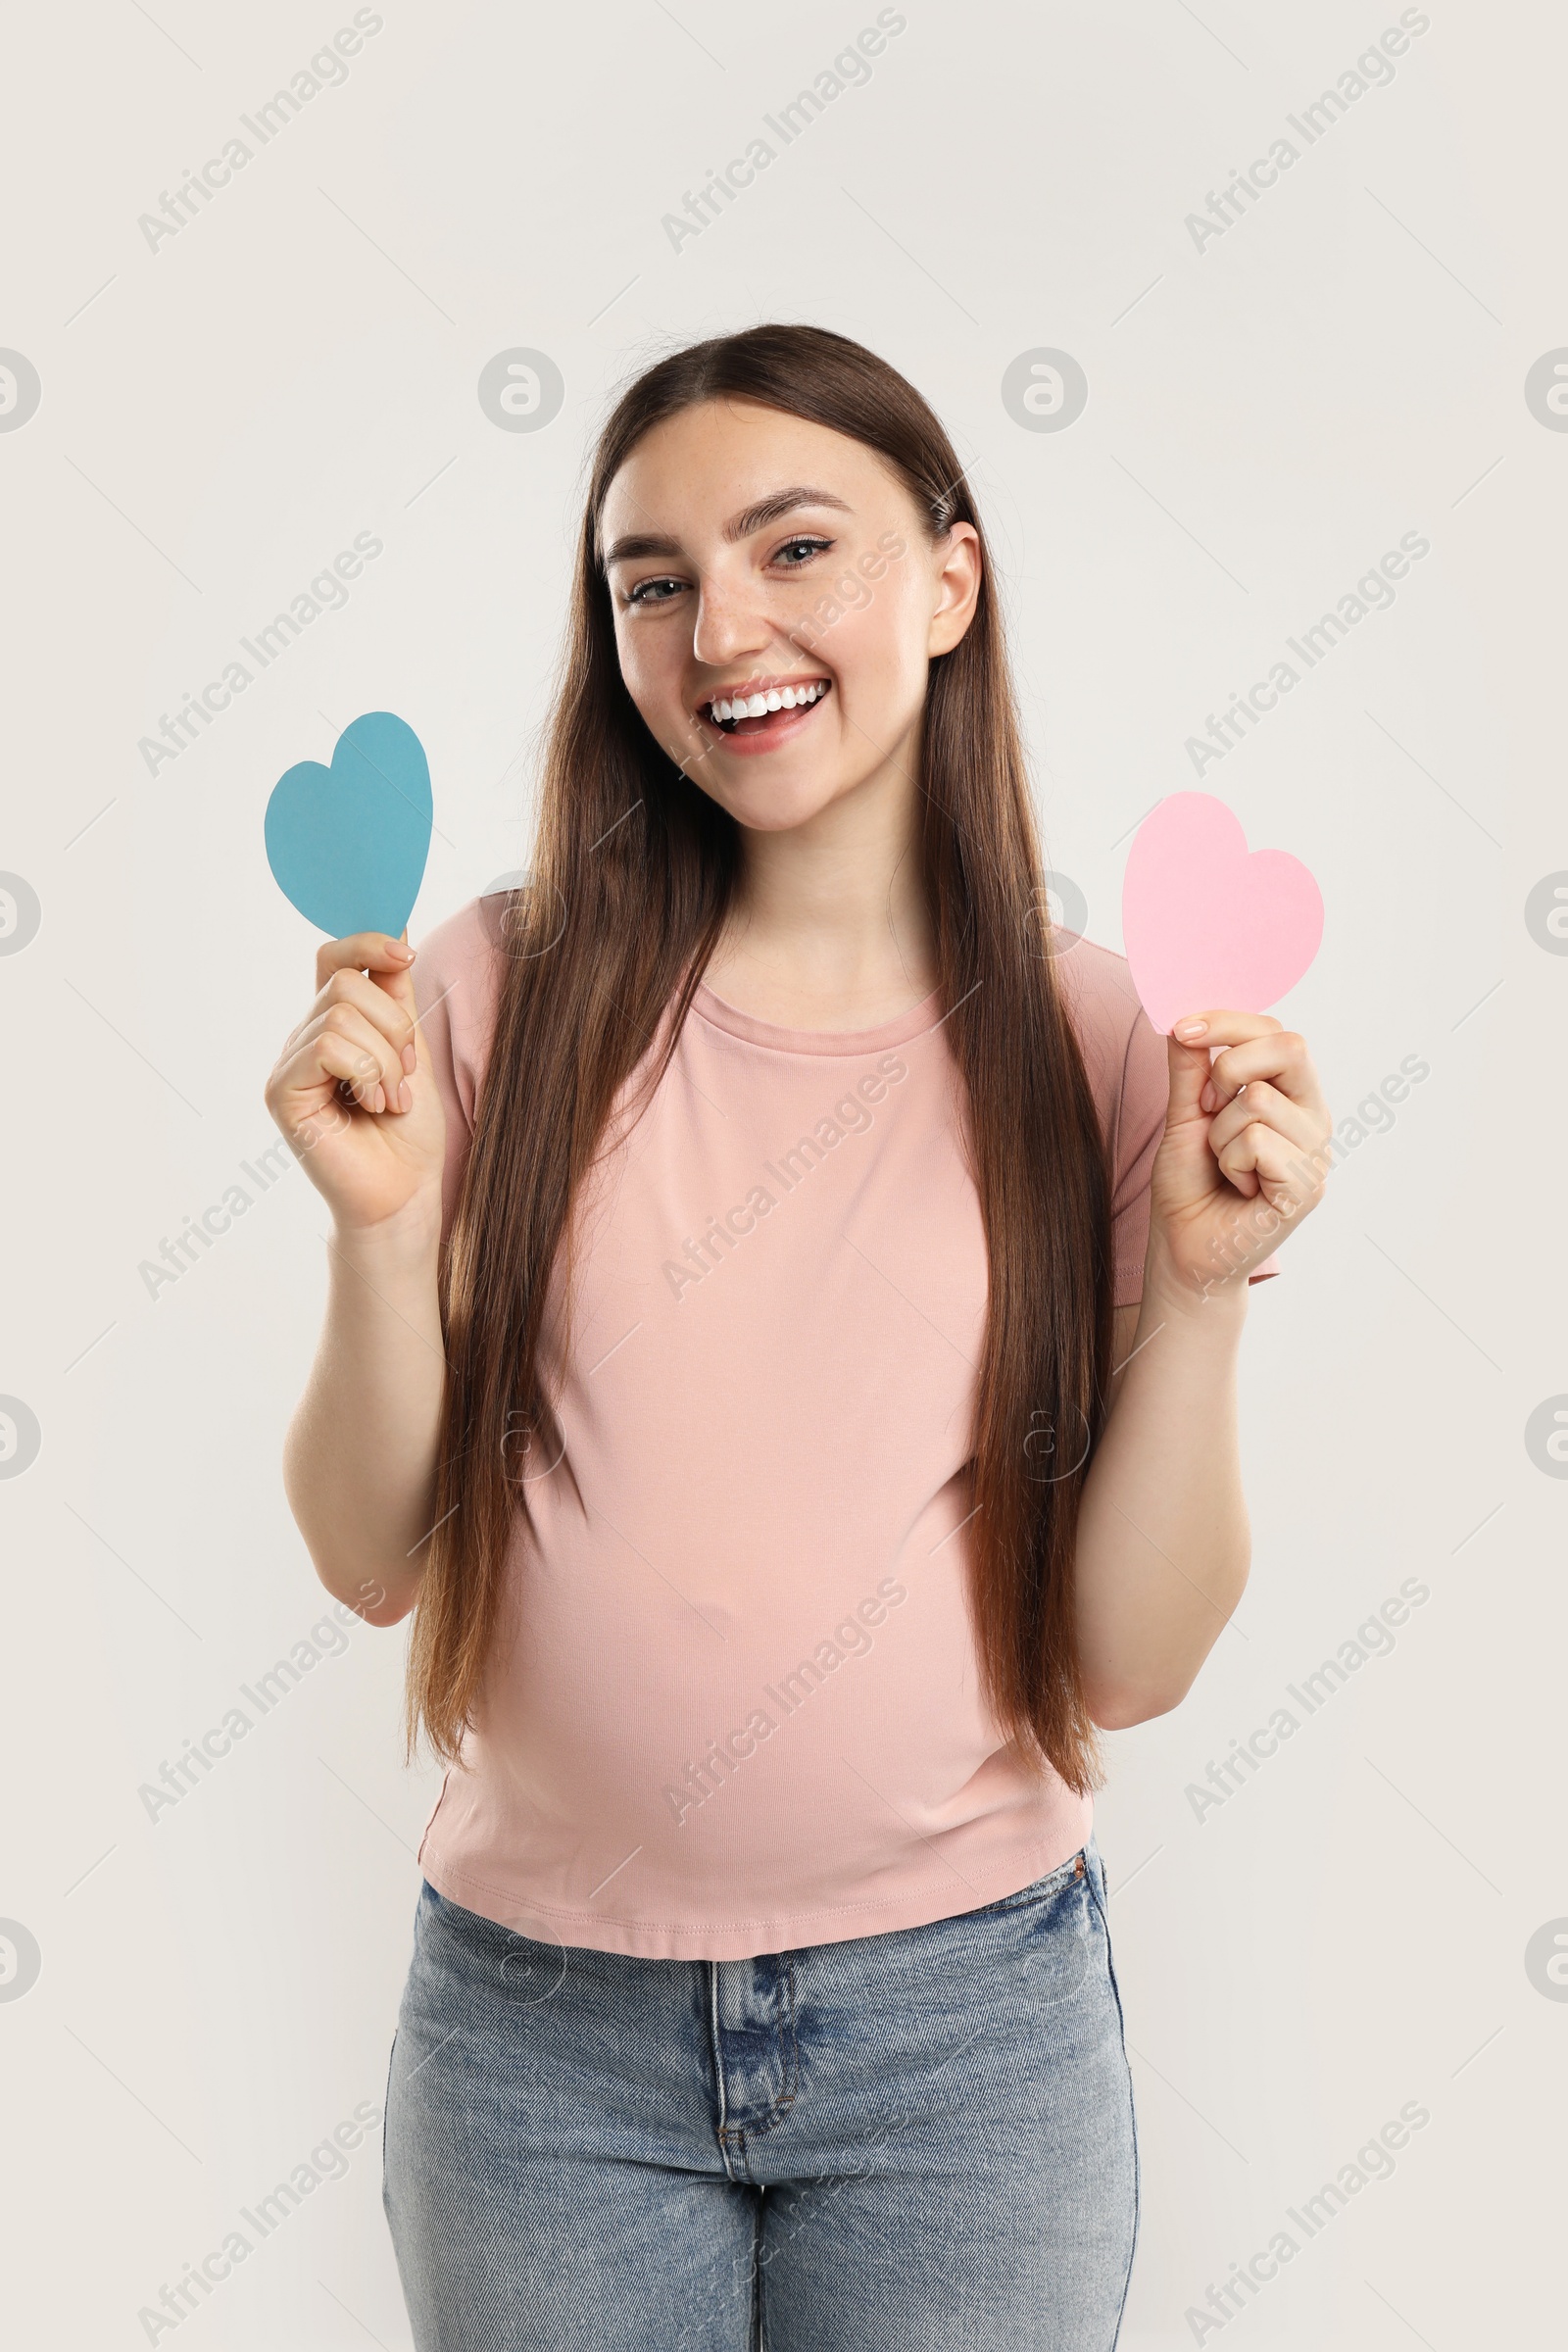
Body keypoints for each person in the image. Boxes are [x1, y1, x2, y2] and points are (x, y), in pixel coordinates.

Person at [265, 323, 1332, 2351]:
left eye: (792, 547)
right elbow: (369, 1552)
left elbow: (1131, 1660)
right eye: (649, 579)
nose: (714, 627)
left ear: (947, 579)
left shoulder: (1098, 1041)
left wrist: (1197, 1295)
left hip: (964, 2042)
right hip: (536, 2045)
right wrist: (378, 1242)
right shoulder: (498, 989)